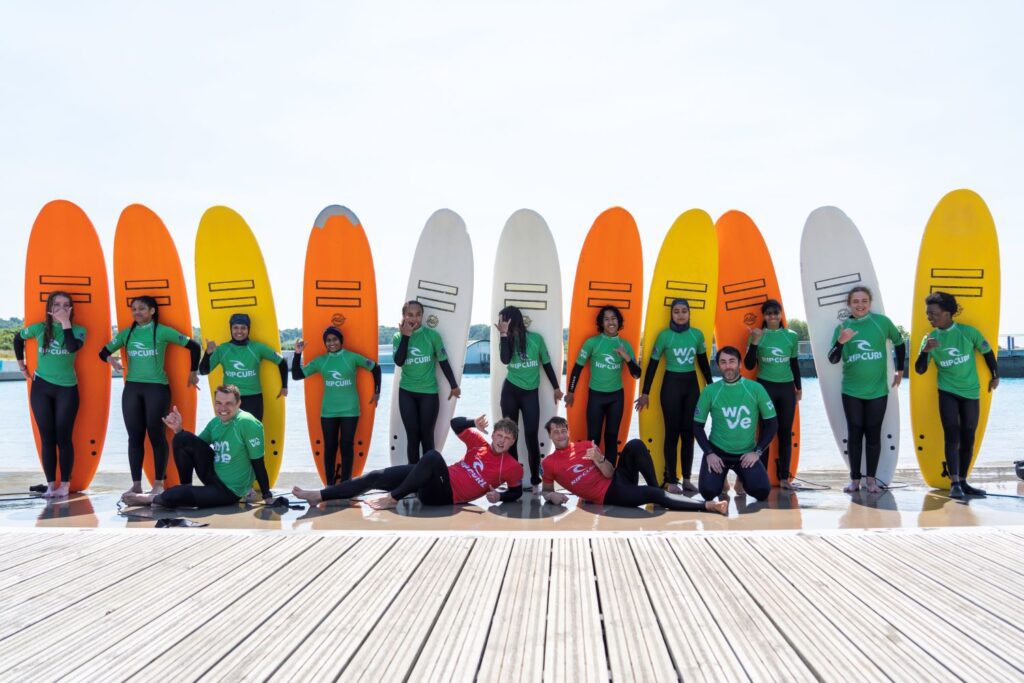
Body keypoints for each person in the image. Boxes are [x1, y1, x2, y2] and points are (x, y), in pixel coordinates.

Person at [292, 415, 523, 508]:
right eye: (499, 435)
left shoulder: (512, 467)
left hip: (445, 496)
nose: (502, 441)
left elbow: (516, 492)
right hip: (431, 481)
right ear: (492, 435)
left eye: (508, 438)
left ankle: (393, 498)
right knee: (376, 476)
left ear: (512, 442)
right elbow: (455, 424)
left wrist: (500, 496)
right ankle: (319, 495)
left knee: (433, 456)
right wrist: (474, 421)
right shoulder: (479, 443)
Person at [100, 295, 201, 498]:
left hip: (157, 389)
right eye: (134, 309)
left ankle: (158, 484)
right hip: (132, 389)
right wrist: (111, 359)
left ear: (152, 311)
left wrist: (193, 372)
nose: (137, 312)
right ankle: (136, 484)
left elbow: (194, 346)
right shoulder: (126, 334)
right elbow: (102, 352)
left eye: (142, 309)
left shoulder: (162, 331)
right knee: (134, 438)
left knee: (157, 436)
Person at [122, 384, 272, 508]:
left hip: (229, 491)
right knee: (182, 438)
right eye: (218, 403)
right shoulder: (215, 423)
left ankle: (150, 499)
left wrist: (267, 496)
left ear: (239, 403)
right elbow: (194, 446)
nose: (223, 408)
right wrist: (178, 429)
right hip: (212, 475)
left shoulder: (247, 423)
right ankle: (185, 487)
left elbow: (258, 462)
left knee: (173, 495)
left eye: (228, 403)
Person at [539, 417, 727, 514]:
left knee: (635, 444)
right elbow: (546, 490)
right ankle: (708, 506)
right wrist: (551, 495)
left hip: (617, 479)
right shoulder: (549, 463)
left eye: (563, 431)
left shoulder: (586, 446)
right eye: (556, 432)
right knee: (654, 495)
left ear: (568, 431)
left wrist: (599, 459)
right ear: (549, 436)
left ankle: (657, 489)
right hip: (609, 495)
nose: (561, 435)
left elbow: (609, 473)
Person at [914, 291, 998, 498]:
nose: (929, 317)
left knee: (968, 437)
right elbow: (919, 370)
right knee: (952, 436)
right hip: (947, 392)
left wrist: (995, 375)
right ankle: (954, 484)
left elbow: (987, 352)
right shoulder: (930, 338)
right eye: (927, 313)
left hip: (971, 392)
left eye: (933, 313)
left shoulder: (968, 332)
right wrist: (925, 351)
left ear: (947, 313)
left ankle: (963, 481)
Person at [827, 286, 906, 493]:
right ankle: (854, 480)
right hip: (851, 391)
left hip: (878, 391)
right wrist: (840, 341)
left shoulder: (882, 323)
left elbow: (899, 343)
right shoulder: (843, 327)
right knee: (855, 434)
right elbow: (833, 358)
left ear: (870, 303)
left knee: (873, 434)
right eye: (855, 302)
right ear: (849, 304)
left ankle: (871, 480)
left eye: (864, 301)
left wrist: (899, 370)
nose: (860, 305)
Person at [635, 298, 713, 493]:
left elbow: (703, 364)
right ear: (671, 314)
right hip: (670, 386)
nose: (680, 314)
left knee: (689, 434)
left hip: (691, 386)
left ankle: (686, 478)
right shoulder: (664, 336)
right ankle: (670, 480)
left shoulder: (697, 335)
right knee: (672, 433)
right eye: (676, 311)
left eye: (684, 311)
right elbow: (652, 366)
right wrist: (645, 393)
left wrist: (712, 389)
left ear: (689, 313)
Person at [13, 291, 86, 498]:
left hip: (67, 389)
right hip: (41, 388)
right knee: (47, 438)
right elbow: (18, 339)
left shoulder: (79, 331)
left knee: (64, 438)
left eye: (65, 305)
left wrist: (65, 323)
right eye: (56, 305)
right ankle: (51, 485)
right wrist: (22, 366)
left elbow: (72, 348)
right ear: (49, 307)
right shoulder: (39, 329)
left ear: (71, 309)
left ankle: (65, 485)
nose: (61, 309)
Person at [291, 327, 381, 485]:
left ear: (341, 341)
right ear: (325, 343)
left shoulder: (351, 357)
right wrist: (298, 354)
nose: (332, 343)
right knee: (330, 448)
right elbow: (297, 375)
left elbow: (375, 368)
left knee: (346, 446)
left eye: (335, 339)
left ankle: (346, 484)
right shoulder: (321, 361)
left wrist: (377, 391)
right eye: (328, 340)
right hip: (328, 411)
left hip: (350, 410)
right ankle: (330, 485)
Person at [694, 346, 778, 503]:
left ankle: (741, 477)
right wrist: (709, 453)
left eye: (732, 361)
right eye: (723, 362)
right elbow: (697, 426)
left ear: (739, 364)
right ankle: (722, 481)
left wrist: (757, 452)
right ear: (718, 365)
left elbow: (772, 424)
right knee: (708, 492)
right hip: (718, 453)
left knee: (761, 492)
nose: (728, 366)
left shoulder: (755, 388)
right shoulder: (710, 391)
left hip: (745, 453)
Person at [496, 305, 563, 493]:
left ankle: (535, 478)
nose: (501, 323)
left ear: (512, 320)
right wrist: (503, 335)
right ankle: (513, 479)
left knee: (531, 435)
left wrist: (556, 388)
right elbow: (505, 360)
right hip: (510, 391)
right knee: (510, 437)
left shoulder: (536, 339)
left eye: (504, 320)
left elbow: (547, 364)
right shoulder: (506, 339)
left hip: (530, 394)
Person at [565, 305, 641, 463]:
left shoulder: (624, 345)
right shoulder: (593, 343)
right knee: (593, 438)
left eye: (613, 318)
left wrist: (626, 357)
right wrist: (571, 392)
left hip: (616, 397)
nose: (610, 322)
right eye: (606, 319)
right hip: (596, 397)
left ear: (619, 321)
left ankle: (610, 473)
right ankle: (591, 473)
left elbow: (636, 374)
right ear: (601, 323)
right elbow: (577, 368)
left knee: (612, 437)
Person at [743, 299, 801, 489]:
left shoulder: (790, 336)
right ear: (764, 316)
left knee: (785, 432)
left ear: (780, 314)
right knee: (765, 432)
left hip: (786, 389)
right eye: (769, 313)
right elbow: (750, 365)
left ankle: (784, 478)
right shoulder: (758, 335)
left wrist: (798, 388)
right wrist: (755, 342)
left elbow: (794, 364)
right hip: (765, 388)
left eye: (776, 313)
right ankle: (761, 477)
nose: (773, 317)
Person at [393, 300, 460, 464]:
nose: (414, 318)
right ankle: (413, 479)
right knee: (412, 436)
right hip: (407, 392)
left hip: (428, 393)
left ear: (422, 316)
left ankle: (429, 479)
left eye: (418, 314)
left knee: (427, 436)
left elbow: (443, 362)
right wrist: (406, 337)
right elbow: (399, 361)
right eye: (410, 314)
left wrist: (453, 385)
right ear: (404, 316)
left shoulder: (432, 336)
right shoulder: (398, 337)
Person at [199, 312, 288, 422]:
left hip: (253, 398)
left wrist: (284, 386)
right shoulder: (223, 349)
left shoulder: (257, 348)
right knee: (231, 434)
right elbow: (203, 371)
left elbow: (282, 361)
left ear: (248, 329)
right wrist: (207, 354)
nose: (239, 331)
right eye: (235, 328)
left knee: (253, 434)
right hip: (229, 399)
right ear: (231, 329)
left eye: (243, 328)